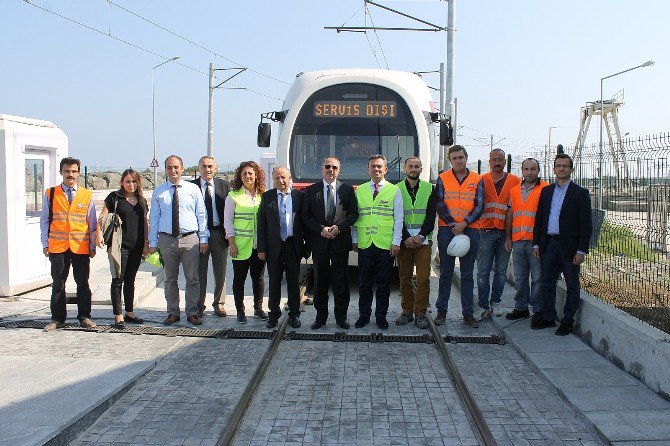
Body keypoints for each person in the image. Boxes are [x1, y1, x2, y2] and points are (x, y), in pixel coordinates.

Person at [532, 153, 592, 336]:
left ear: (571, 169)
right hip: (548, 243)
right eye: (558, 165)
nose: (561, 168)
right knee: (547, 282)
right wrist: (536, 244)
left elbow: (586, 225)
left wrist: (581, 250)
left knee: (572, 285)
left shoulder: (580, 193)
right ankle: (549, 317)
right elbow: (540, 219)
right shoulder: (546, 191)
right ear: (554, 169)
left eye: (565, 166)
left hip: (570, 247)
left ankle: (567, 321)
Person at [148, 155, 209, 326]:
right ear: (165, 170)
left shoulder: (193, 189)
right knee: (169, 279)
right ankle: (173, 312)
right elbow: (154, 218)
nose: (173, 171)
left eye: (176, 167)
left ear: (182, 169)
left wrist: (203, 238)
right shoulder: (159, 191)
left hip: (190, 239)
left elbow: (201, 215)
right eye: (169, 167)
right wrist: (153, 242)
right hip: (167, 240)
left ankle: (192, 312)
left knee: (192, 279)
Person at [40, 157, 98, 331]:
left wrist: (92, 246)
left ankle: (84, 317)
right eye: (67, 171)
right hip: (57, 246)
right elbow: (44, 220)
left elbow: (92, 223)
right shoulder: (50, 194)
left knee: (83, 283)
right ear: (61, 172)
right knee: (58, 283)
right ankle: (57, 319)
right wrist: (45, 243)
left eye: (73, 171)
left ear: (78, 173)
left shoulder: (87, 195)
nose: (70, 175)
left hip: (80, 245)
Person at [302, 156, 359, 330]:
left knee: (341, 281)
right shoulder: (311, 191)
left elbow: (354, 214)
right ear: (322, 169)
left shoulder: (347, 190)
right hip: (319, 243)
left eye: (334, 167)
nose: (331, 170)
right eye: (327, 166)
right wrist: (321, 229)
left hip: (339, 242)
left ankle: (341, 317)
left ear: (339, 170)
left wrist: (338, 227)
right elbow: (305, 216)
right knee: (320, 282)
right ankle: (321, 317)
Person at [435, 145, 484, 328]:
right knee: (446, 272)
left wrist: (464, 224)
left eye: (461, 157)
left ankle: (468, 314)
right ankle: (441, 312)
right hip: (447, 229)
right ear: (450, 160)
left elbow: (480, 205)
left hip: (471, 228)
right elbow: (439, 204)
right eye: (454, 158)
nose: (458, 160)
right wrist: (452, 224)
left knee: (467, 274)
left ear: (466, 158)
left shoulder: (477, 179)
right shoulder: (443, 178)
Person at [352, 155, 403, 330]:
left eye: (380, 166)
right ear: (368, 169)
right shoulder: (360, 190)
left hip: (385, 244)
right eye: (373, 166)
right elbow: (355, 216)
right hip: (365, 243)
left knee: (384, 284)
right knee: (364, 284)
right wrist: (355, 239)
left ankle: (381, 316)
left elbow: (399, 219)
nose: (376, 169)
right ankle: (364, 316)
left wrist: (396, 242)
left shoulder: (394, 190)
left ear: (386, 169)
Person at [97, 169, 149, 329]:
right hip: (119, 246)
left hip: (137, 245)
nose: (131, 184)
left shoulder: (141, 200)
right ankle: (118, 315)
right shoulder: (115, 198)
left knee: (131, 280)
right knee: (118, 279)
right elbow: (102, 218)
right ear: (122, 182)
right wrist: (98, 235)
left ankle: (130, 312)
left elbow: (144, 224)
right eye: (128, 181)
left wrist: (146, 244)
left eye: (134, 181)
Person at [257, 167, 307, 329]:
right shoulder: (267, 197)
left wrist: (306, 247)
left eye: (283, 177)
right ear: (273, 179)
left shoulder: (300, 197)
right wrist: (261, 249)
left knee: (293, 283)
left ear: (290, 178)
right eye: (277, 178)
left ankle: (294, 315)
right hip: (274, 248)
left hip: (293, 246)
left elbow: (305, 222)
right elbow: (262, 225)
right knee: (274, 282)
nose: (281, 181)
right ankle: (274, 315)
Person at [477, 149, 520, 318]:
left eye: (500, 159)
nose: (497, 162)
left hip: (505, 233)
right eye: (494, 159)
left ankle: (496, 301)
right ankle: (482, 304)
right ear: (489, 162)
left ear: (504, 162)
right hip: (485, 231)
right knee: (482, 271)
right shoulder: (482, 180)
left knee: (501, 271)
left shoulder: (515, 181)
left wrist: (511, 235)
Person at [504, 158, 548, 322]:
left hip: (536, 242)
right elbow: (510, 214)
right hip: (518, 241)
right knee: (520, 277)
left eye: (533, 169)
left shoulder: (545, 189)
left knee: (537, 277)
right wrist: (508, 237)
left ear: (538, 171)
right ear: (521, 171)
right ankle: (521, 307)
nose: (529, 172)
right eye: (526, 169)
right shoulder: (515, 190)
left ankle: (538, 309)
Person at [224, 161, 268, 323]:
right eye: (244, 174)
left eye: (250, 173)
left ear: (256, 175)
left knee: (259, 278)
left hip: (259, 246)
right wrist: (232, 243)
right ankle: (240, 311)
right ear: (239, 176)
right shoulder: (233, 196)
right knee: (239, 279)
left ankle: (258, 309)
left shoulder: (264, 195)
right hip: (240, 246)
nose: (248, 176)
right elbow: (227, 222)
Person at [395, 157, 436, 330]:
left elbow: (431, 215)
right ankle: (406, 311)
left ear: (421, 169)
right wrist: (405, 237)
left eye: (417, 166)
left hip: (423, 242)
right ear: (405, 168)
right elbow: (396, 216)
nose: (413, 169)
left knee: (423, 279)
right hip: (404, 241)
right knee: (404, 278)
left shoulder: (430, 189)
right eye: (410, 166)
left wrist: (420, 236)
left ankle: (420, 313)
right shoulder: (396, 189)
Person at [192, 156, 230, 318]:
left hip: (218, 234)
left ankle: (219, 304)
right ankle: (199, 305)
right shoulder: (191, 187)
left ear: (216, 168)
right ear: (198, 168)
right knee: (199, 271)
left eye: (210, 166)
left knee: (220, 271)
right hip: (199, 236)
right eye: (203, 166)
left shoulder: (224, 186)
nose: (207, 169)